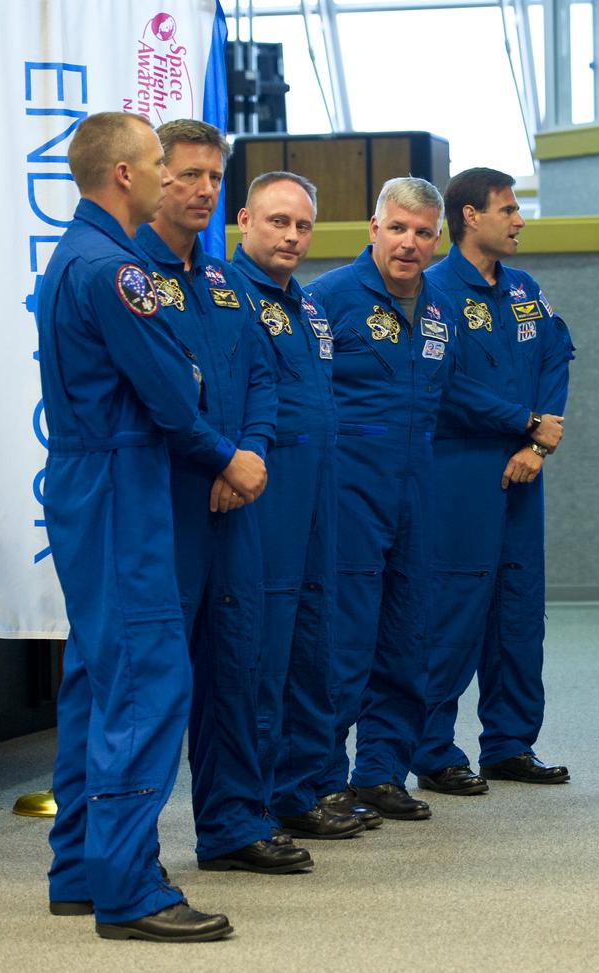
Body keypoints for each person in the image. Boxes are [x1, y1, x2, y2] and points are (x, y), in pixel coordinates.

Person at [38, 111, 233, 942]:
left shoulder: (72, 256)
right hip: (122, 480)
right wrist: (213, 437)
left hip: (91, 478)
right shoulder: (116, 271)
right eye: (159, 163)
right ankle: (130, 887)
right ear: (123, 173)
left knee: (97, 672)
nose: (168, 177)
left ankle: (81, 863)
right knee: (146, 681)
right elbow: (171, 387)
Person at [135, 122, 315, 875]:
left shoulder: (220, 284)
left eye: (214, 175)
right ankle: (126, 850)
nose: (204, 189)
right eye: (190, 175)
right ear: (151, 178)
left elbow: (263, 379)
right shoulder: (131, 278)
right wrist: (220, 455)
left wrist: (251, 453)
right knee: (155, 685)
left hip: (233, 501)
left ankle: (234, 823)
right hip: (165, 504)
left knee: (235, 668)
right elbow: (158, 397)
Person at [307, 177, 494, 821]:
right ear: (373, 229)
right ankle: (322, 778)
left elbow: (447, 396)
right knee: (344, 638)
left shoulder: (440, 308)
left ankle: (380, 771)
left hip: (419, 484)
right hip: (348, 486)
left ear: (437, 238)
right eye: (396, 229)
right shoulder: (326, 299)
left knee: (408, 632)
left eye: (421, 233)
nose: (408, 244)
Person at [409, 167, 574, 796]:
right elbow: (443, 384)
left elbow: (557, 355)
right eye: (507, 209)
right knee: (454, 607)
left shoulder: (525, 288)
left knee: (518, 607)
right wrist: (523, 422)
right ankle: (432, 748)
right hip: (460, 470)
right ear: (470, 216)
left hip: (524, 468)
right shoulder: (434, 292)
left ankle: (509, 743)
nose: (519, 220)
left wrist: (536, 441)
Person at [232, 172, 378, 838]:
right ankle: (252, 800)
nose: (292, 236)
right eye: (278, 221)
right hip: (264, 496)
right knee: (261, 654)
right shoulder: (228, 296)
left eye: (302, 225)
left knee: (316, 644)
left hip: (320, 493)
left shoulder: (310, 305)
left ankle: (304, 785)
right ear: (244, 220)